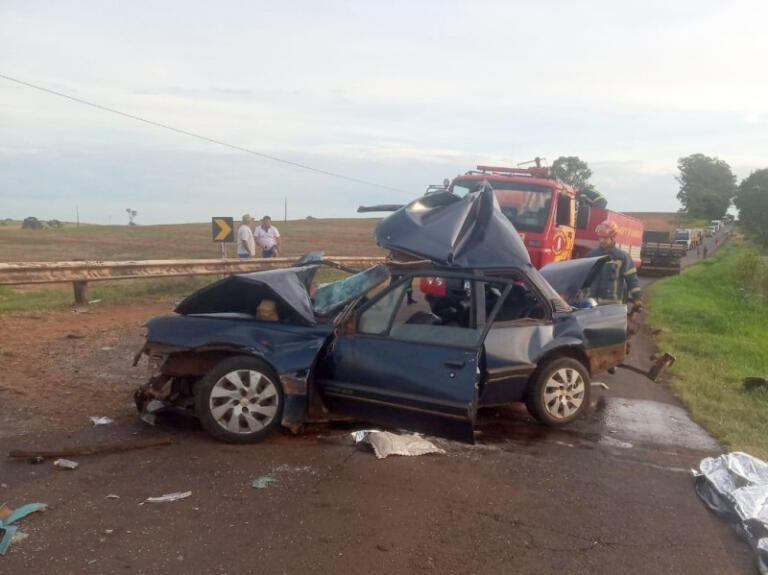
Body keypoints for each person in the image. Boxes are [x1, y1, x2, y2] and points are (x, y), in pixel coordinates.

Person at [586, 220, 643, 312]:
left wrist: (637, 299)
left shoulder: (622, 257)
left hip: (612, 306)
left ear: (613, 238)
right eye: (600, 238)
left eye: (605, 238)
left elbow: (632, 279)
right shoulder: (591, 256)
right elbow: (582, 279)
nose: (601, 241)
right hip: (592, 304)